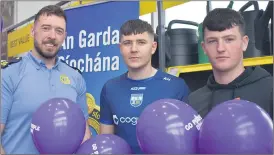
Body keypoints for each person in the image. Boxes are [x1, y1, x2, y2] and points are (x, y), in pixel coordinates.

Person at [1, 5, 91, 154]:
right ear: (32, 31)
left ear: (64, 36)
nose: (52, 36)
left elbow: (84, 134)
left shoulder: (75, 77)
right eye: (46, 28)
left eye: (59, 31)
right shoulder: (9, 74)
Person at [99, 19, 190, 154]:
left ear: (153, 47)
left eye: (141, 42)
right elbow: (105, 143)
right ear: (120, 48)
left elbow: (187, 140)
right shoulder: (110, 88)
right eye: (127, 43)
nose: (134, 49)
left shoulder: (176, 86)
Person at [186, 8, 273, 119]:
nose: (220, 48)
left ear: (244, 43)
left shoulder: (270, 91)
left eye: (229, 39)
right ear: (204, 47)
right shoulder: (194, 102)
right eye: (212, 41)